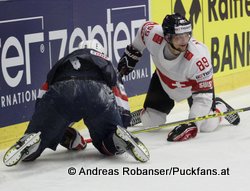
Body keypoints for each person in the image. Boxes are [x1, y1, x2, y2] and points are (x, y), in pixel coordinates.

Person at [3, 39, 150, 167]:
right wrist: (123, 123)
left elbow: (43, 93)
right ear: (101, 51)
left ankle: (30, 142)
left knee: (39, 138)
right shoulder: (104, 60)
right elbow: (120, 93)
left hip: (62, 92)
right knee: (107, 143)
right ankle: (116, 139)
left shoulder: (65, 60)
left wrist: (39, 124)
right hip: (97, 94)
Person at [117, 13, 240, 142]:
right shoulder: (153, 35)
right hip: (163, 82)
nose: (184, 41)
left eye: (187, 35)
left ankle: (220, 107)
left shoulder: (199, 58)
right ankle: (147, 114)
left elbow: (203, 98)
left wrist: (192, 124)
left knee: (207, 125)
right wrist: (132, 53)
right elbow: (143, 30)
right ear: (167, 37)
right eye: (179, 37)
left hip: (192, 89)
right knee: (151, 124)